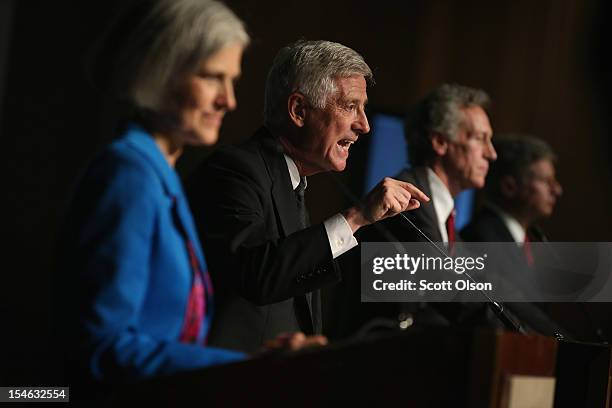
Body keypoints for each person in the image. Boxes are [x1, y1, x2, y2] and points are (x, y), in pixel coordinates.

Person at [57, 0, 323, 392]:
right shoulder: (128, 174)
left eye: (231, 80)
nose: (228, 101)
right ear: (160, 74)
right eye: (213, 78)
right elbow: (101, 345)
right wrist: (248, 366)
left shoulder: (160, 174)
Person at [188, 40, 429, 352]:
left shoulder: (294, 185)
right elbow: (257, 273)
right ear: (299, 110)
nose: (364, 125)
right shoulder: (236, 170)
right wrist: (355, 218)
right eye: (350, 106)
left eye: (363, 108)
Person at [461, 133, 562, 245]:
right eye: (546, 181)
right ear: (509, 187)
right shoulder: (481, 240)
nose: (557, 190)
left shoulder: (532, 237)